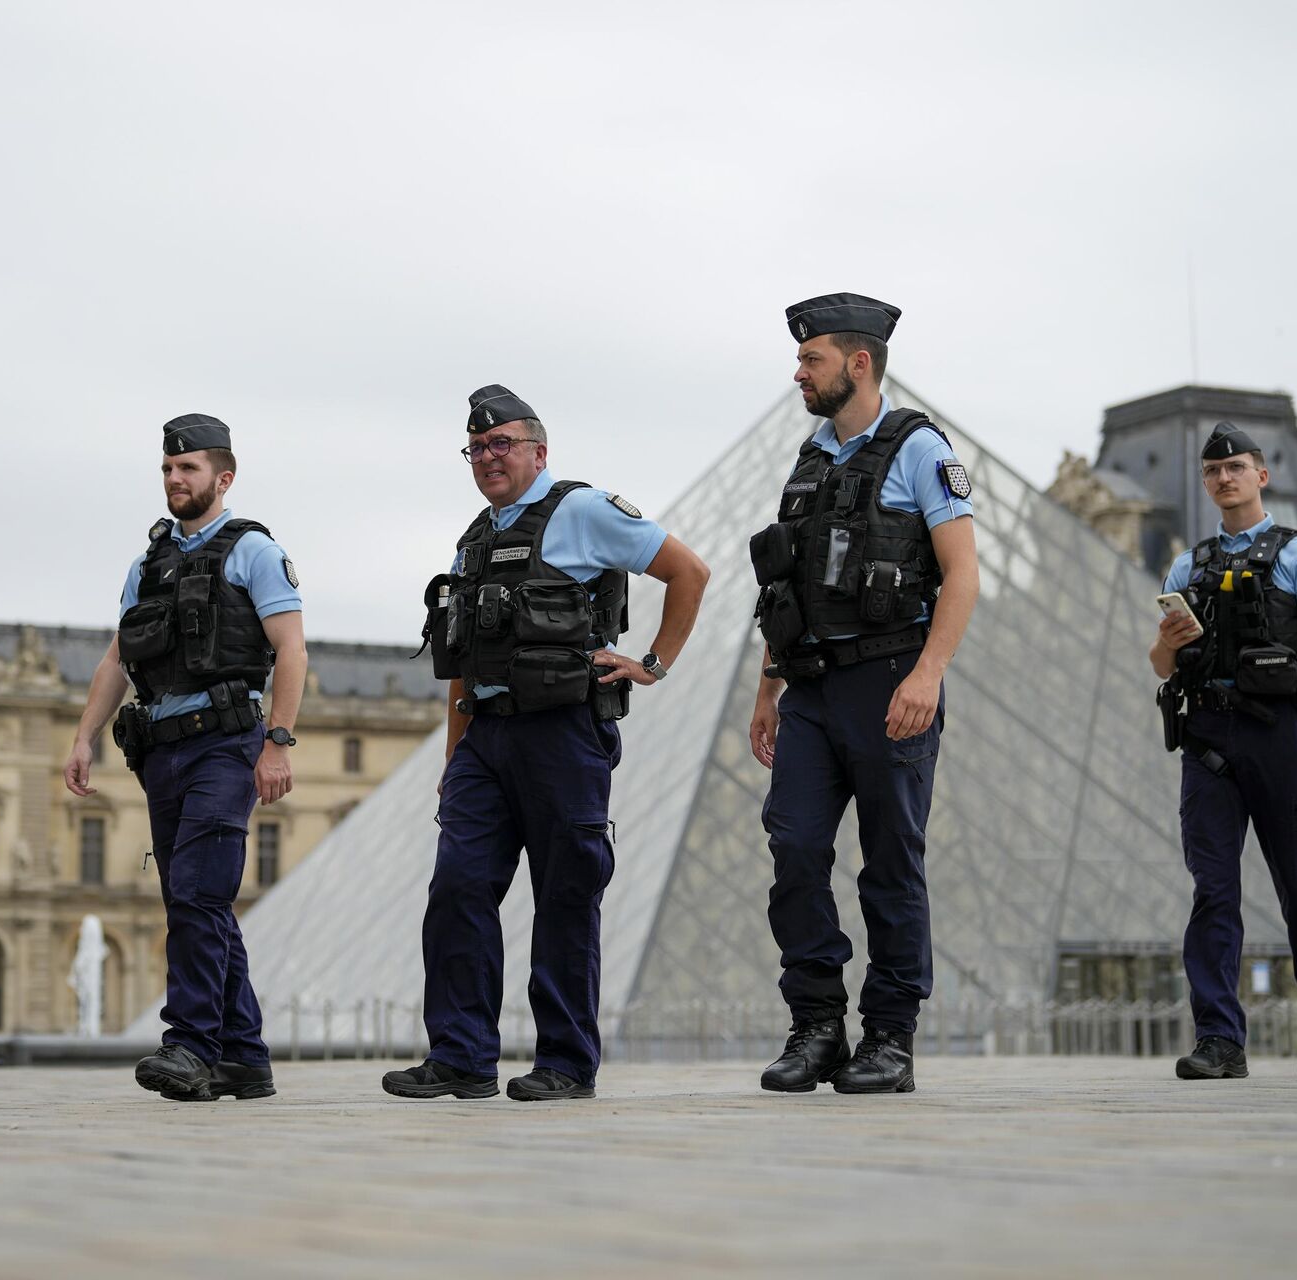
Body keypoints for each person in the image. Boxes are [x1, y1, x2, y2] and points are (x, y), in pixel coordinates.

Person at [382, 384, 709, 1101]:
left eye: (502, 444)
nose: (488, 457)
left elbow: (689, 571)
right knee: (458, 888)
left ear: (539, 449)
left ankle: (565, 1062)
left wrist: (651, 663)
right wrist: (452, 757)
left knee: (564, 897)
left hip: (563, 736)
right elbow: (462, 661)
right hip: (485, 741)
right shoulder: (474, 538)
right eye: (476, 448)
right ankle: (462, 1057)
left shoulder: (584, 511)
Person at [748, 293, 980, 1095]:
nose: (798, 373)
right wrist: (768, 685)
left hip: (890, 681)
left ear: (858, 362)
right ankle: (816, 1024)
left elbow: (963, 575)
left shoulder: (920, 452)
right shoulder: (810, 458)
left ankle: (889, 1035)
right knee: (795, 849)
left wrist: (927, 674)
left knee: (889, 864)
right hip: (809, 686)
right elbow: (787, 585)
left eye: (810, 359)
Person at [64, 413, 307, 1101]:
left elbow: (291, 650)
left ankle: (191, 1045)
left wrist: (277, 743)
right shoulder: (147, 564)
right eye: (168, 469)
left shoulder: (254, 551)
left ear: (222, 478)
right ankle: (244, 1057)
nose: (175, 478)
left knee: (199, 895)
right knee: (194, 903)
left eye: (189, 469)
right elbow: (118, 658)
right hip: (163, 752)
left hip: (226, 746)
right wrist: (84, 735)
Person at [1150, 422, 1297, 1079]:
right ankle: (1219, 1040)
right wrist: (1170, 640)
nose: (1224, 478)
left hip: (1278, 736)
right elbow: (1161, 664)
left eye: (1236, 467)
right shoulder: (1189, 566)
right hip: (1208, 739)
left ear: (1260, 475)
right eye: (1213, 471)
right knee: (1213, 892)